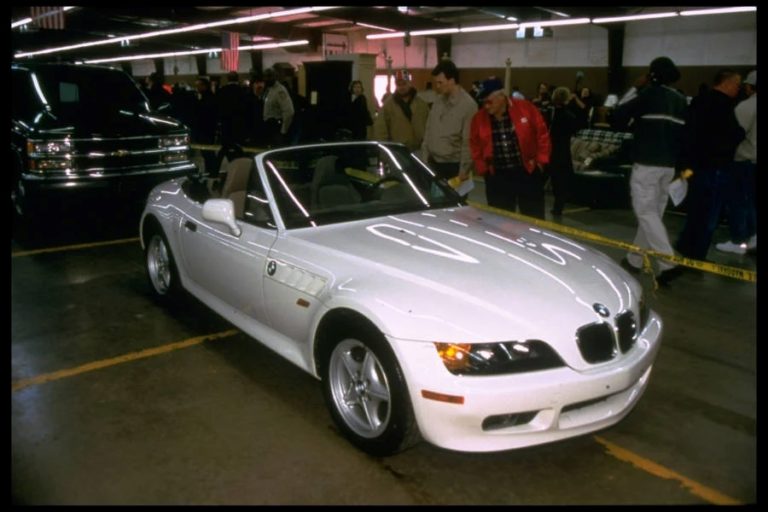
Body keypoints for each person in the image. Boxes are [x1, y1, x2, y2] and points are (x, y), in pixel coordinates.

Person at [611, 57, 688, 284]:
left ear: (651, 75)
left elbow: (617, 116)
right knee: (653, 214)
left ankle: (668, 263)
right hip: (668, 166)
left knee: (646, 213)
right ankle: (634, 259)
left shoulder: (647, 94)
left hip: (647, 164)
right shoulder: (680, 99)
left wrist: (635, 86)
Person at [675, 69, 745, 264]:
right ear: (727, 83)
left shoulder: (699, 101)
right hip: (716, 167)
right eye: (737, 84)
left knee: (696, 209)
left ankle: (685, 245)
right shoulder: (724, 106)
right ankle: (698, 254)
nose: (738, 88)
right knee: (709, 215)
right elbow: (736, 133)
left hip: (695, 166)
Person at [469, 78, 551, 219]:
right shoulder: (479, 118)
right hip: (498, 176)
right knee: (500, 222)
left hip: (527, 172)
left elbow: (542, 135)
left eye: (489, 101)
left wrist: (541, 163)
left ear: (501, 96)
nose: (486, 107)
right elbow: (475, 145)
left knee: (534, 217)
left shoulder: (526, 108)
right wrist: (484, 169)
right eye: (483, 103)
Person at [715, 70, 757, 254]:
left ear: (749, 87)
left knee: (738, 201)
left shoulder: (747, 106)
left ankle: (739, 241)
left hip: (744, 160)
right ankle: (754, 237)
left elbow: (734, 133)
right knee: (752, 202)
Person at [420, 60, 478, 184]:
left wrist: (464, 171)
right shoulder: (438, 101)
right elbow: (428, 130)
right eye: (436, 83)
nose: (437, 86)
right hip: (434, 164)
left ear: (452, 81)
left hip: (455, 167)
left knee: (455, 202)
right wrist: (425, 160)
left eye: (440, 83)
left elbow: (468, 142)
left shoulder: (469, 105)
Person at [372, 70, 429, 151]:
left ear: (410, 83)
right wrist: (385, 150)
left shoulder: (421, 104)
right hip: (397, 150)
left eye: (404, 84)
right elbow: (380, 129)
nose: (402, 87)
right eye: (399, 84)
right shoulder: (388, 105)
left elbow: (429, 126)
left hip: (419, 149)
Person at [546, 86, 580, 216]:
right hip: (563, 151)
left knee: (549, 178)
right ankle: (558, 208)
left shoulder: (550, 113)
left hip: (549, 149)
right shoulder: (569, 115)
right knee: (561, 182)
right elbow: (574, 130)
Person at [262, 67, 294, 147]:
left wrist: (283, 131)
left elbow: (289, 112)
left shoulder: (280, 90)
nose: (266, 79)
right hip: (269, 127)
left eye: (269, 76)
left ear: (275, 77)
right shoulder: (269, 90)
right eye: (265, 76)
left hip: (277, 128)